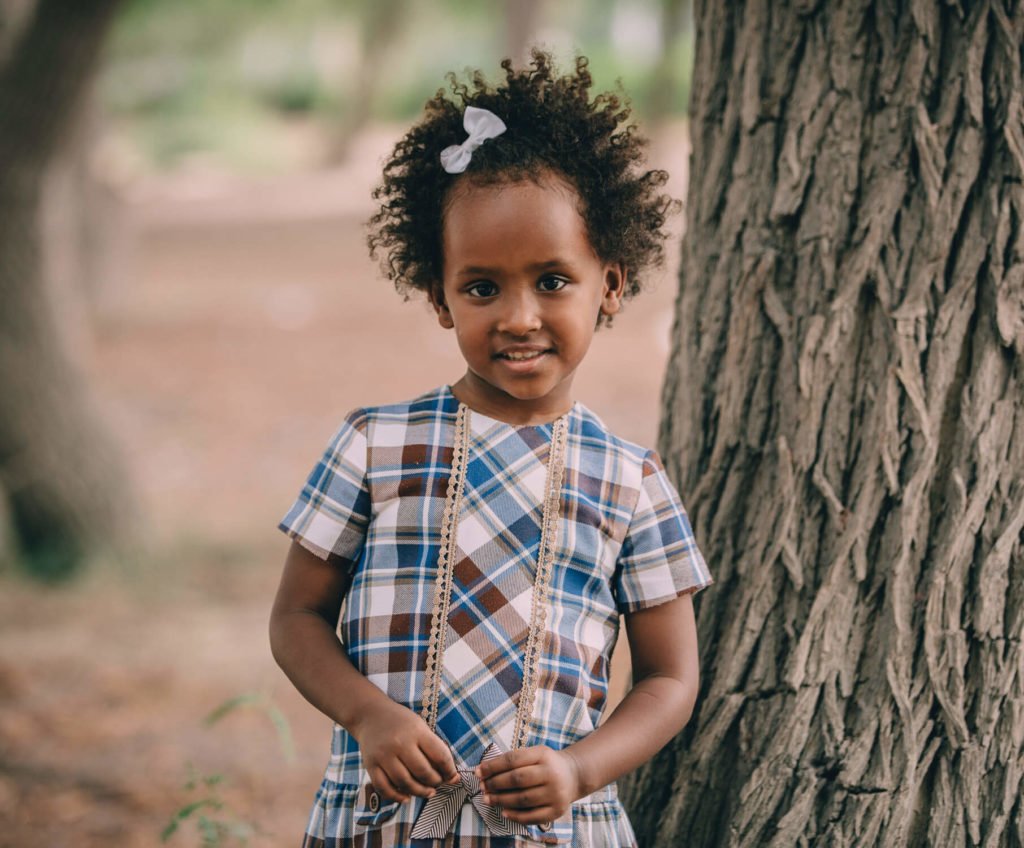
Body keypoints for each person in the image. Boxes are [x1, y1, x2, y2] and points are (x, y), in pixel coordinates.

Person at [269, 48, 714, 848]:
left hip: (550, 830)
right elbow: (298, 615)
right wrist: (368, 714)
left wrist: (580, 770)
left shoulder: (631, 479)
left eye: (552, 280)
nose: (518, 316)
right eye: (482, 287)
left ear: (609, 284)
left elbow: (669, 678)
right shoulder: (375, 445)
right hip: (385, 822)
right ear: (440, 296)